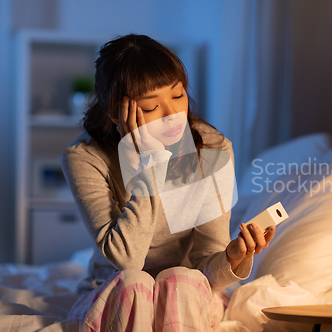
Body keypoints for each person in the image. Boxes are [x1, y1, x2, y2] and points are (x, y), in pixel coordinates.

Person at [62, 34, 275, 331]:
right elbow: (127, 261)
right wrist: (150, 164)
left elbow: (206, 269)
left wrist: (232, 256)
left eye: (178, 96)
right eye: (151, 107)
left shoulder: (212, 149)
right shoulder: (85, 157)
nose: (174, 115)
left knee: (180, 279)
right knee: (135, 283)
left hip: (188, 290)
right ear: (115, 113)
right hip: (117, 289)